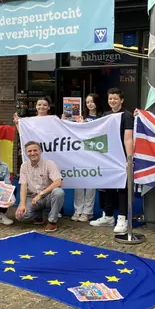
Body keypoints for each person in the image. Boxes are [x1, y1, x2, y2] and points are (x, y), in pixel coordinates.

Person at [89, 88, 133, 234]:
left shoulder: (127, 116)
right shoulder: (106, 115)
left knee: (122, 188)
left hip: (121, 156)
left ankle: (122, 218)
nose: (112, 101)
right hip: (108, 156)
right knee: (107, 186)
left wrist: (129, 158)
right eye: (110, 99)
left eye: (115, 98)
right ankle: (108, 216)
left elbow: (128, 138)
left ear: (121, 100)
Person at [15, 141, 64, 232]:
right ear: (26, 153)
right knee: (20, 216)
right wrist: (22, 204)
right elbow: (23, 186)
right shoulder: (24, 166)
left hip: (47, 196)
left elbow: (58, 182)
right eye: (29, 151)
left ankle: (52, 221)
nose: (32, 153)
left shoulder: (49, 163)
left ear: (40, 151)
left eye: (35, 150)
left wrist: (41, 194)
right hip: (32, 198)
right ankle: (38, 215)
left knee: (58, 192)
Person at [71, 93, 101, 222]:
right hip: (80, 153)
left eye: (92, 101)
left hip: (95, 153)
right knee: (79, 182)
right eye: (87, 102)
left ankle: (88, 211)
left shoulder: (103, 117)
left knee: (90, 184)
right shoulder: (81, 116)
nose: (89, 104)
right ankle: (78, 210)